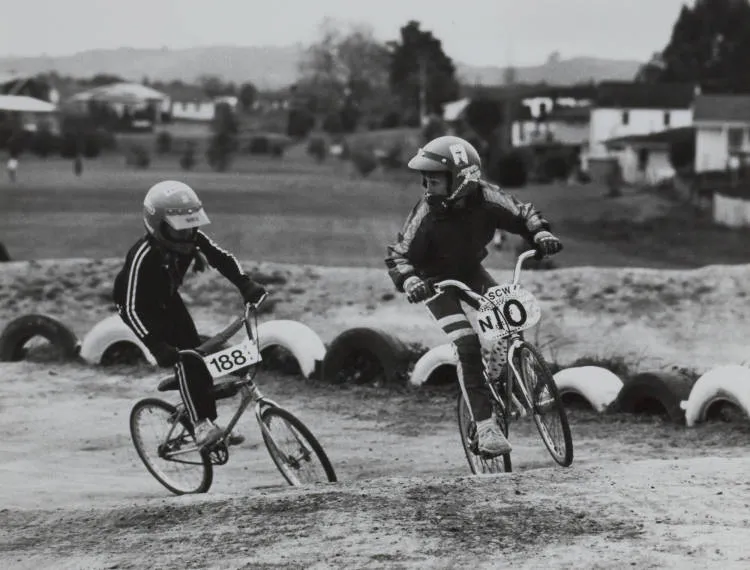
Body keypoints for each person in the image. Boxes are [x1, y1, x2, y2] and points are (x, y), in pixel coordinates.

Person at [385, 136, 563, 457]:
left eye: (434, 180)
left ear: (460, 179)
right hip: (436, 285)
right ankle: (485, 427)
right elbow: (399, 254)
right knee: (467, 344)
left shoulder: (486, 197)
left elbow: (521, 213)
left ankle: (521, 385)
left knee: (510, 320)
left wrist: (540, 232)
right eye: (425, 179)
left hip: (470, 272)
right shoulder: (426, 213)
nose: (427, 186)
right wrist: (411, 280)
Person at [113, 180, 267, 447]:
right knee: (184, 358)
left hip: (168, 299)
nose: (189, 235)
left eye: (192, 226)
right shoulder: (142, 255)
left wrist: (245, 283)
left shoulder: (191, 238)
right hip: (143, 310)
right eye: (180, 229)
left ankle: (206, 415)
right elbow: (128, 307)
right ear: (158, 225)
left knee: (196, 353)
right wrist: (155, 345)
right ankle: (199, 426)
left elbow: (221, 258)